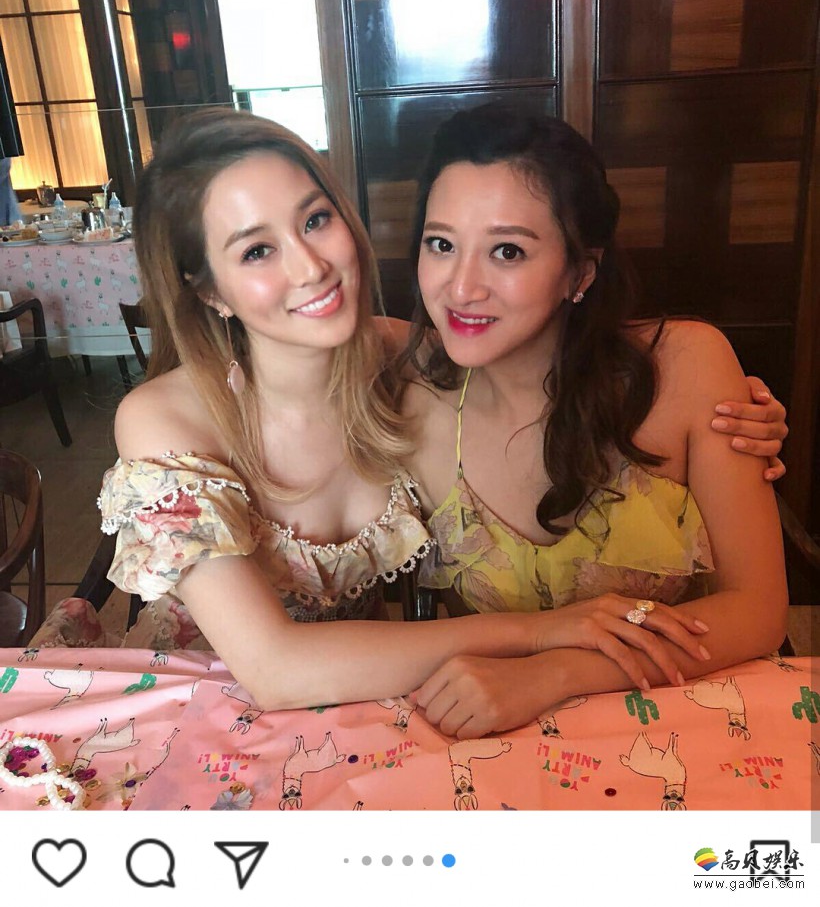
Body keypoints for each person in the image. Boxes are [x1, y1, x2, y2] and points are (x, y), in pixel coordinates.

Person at [37, 109, 720, 719]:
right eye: (257, 250)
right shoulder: (164, 419)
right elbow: (273, 670)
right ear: (209, 290)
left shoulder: (402, 360)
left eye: (315, 220)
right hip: (202, 707)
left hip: (358, 705)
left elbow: (537, 351)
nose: (311, 266)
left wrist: (732, 410)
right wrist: (541, 632)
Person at [397, 104, 788, 737]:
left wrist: (554, 673)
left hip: (681, 722)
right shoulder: (413, 392)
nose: (461, 288)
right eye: (441, 244)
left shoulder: (687, 366)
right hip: (501, 742)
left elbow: (759, 610)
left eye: (506, 251)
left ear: (579, 272)